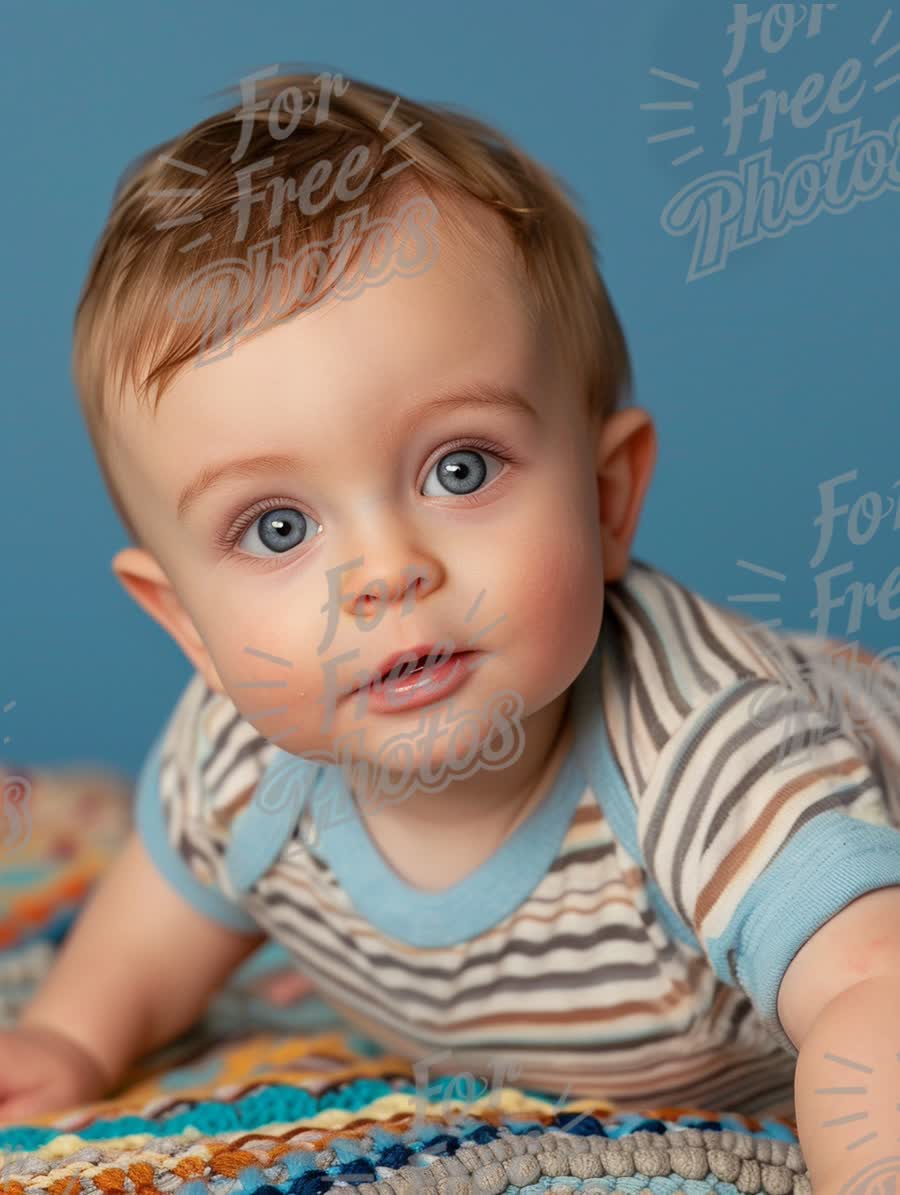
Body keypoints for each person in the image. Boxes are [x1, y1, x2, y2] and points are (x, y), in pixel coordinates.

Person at [4, 71, 900, 1156]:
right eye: (279, 528)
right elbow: (164, 904)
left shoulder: (711, 751)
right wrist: (71, 1035)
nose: (384, 572)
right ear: (184, 620)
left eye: (461, 467)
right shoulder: (241, 765)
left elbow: (871, 987)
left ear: (607, 498)